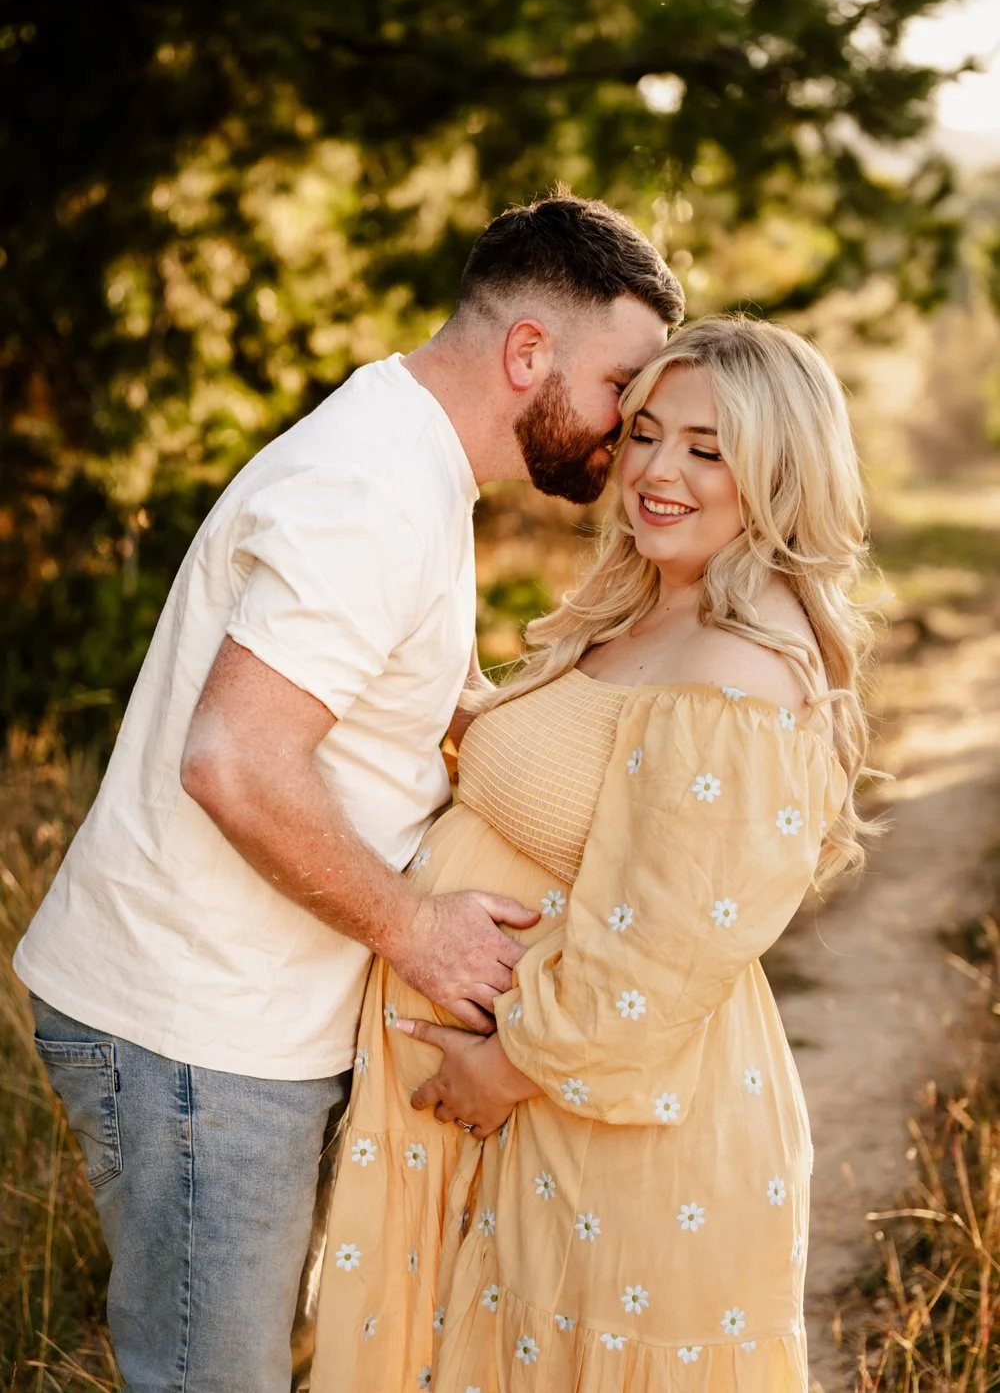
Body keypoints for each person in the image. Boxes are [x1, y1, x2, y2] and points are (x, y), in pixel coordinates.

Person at [13, 190, 683, 1393]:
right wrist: (415, 929)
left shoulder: (415, 468)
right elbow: (234, 759)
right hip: (193, 1036)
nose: (627, 428)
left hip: (242, 1023)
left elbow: (411, 714)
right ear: (528, 351)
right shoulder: (370, 488)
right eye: (619, 389)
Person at [309, 315, 877, 1393]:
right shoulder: (655, 607)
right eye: (648, 433)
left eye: (708, 449)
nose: (657, 472)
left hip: (624, 1142)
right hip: (551, 1126)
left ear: (780, 468)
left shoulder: (742, 667)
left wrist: (503, 1067)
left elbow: (661, 951)